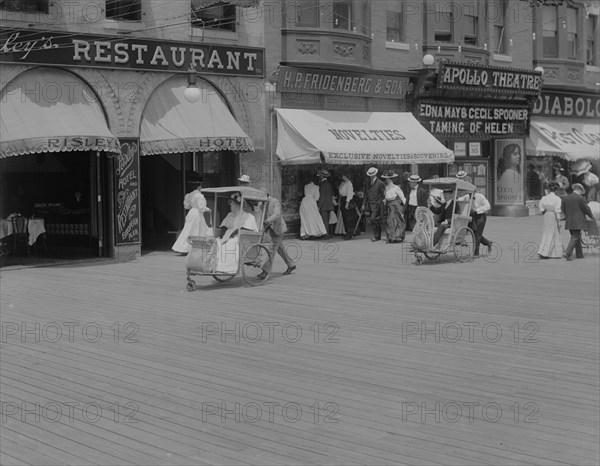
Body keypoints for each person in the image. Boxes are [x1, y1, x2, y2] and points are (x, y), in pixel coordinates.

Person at [213, 193, 258, 273]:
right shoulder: (230, 215)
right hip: (227, 235)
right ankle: (215, 266)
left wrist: (232, 234)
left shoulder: (248, 216)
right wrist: (223, 232)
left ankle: (227, 268)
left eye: (232, 204)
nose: (230, 206)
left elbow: (247, 229)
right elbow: (223, 226)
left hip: (241, 237)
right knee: (216, 243)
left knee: (229, 245)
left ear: (238, 206)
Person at [257, 192, 295, 279]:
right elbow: (258, 211)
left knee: (271, 249)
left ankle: (265, 271)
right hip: (271, 229)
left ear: (267, 195)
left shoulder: (275, 202)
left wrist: (267, 220)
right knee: (279, 248)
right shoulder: (262, 202)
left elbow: (277, 215)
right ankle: (291, 265)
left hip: (278, 229)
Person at [561, 183, 594, 261]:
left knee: (576, 236)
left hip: (569, 221)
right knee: (575, 237)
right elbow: (586, 209)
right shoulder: (580, 198)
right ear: (579, 190)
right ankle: (567, 253)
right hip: (578, 221)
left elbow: (563, 210)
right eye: (581, 191)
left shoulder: (565, 198)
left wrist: (566, 216)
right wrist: (591, 216)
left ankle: (579, 254)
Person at [172, 189, 211, 254]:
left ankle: (183, 248)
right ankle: (193, 248)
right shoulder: (199, 195)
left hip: (191, 213)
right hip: (197, 214)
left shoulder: (189, 195)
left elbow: (187, 206)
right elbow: (201, 207)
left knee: (188, 230)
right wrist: (208, 209)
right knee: (197, 230)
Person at [458, 190, 493, 256]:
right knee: (475, 233)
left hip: (481, 216)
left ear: (474, 191)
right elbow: (459, 200)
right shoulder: (467, 196)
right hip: (472, 216)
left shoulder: (481, 196)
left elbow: (488, 206)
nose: (468, 193)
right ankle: (488, 243)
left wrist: (477, 210)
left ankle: (476, 253)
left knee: (478, 235)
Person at [537, 181, 564, 259]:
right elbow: (557, 210)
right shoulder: (557, 199)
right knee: (553, 232)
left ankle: (544, 251)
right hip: (553, 215)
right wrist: (559, 221)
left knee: (546, 232)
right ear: (556, 190)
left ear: (548, 189)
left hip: (546, 215)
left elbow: (541, 208)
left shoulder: (544, 198)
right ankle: (547, 252)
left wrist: (544, 211)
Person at [381, 170, 406, 243]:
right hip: (389, 205)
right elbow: (386, 197)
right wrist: (385, 200)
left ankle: (398, 236)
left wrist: (405, 205)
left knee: (397, 220)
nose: (386, 180)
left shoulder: (396, 187)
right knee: (390, 221)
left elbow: (402, 196)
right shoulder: (386, 188)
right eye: (386, 179)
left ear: (390, 179)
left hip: (396, 205)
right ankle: (391, 237)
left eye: (388, 179)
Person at [364, 167, 386, 242]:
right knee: (375, 220)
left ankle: (376, 236)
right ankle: (377, 235)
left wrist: (383, 203)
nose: (371, 176)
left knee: (373, 219)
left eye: (372, 174)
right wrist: (364, 204)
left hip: (377, 204)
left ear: (375, 174)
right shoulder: (367, 183)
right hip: (370, 204)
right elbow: (366, 194)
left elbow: (383, 194)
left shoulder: (380, 183)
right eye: (370, 175)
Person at [338, 172, 357, 240]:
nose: (342, 177)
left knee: (349, 218)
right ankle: (347, 232)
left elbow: (349, 193)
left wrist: (347, 202)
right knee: (345, 217)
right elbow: (341, 192)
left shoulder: (349, 184)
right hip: (343, 199)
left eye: (343, 176)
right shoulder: (344, 183)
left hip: (347, 199)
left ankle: (350, 233)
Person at [317, 170, 334, 238]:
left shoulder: (323, 185)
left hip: (324, 205)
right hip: (329, 204)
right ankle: (328, 233)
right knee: (327, 220)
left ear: (322, 176)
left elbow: (322, 197)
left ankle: (326, 234)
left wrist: (319, 206)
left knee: (325, 220)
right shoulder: (329, 184)